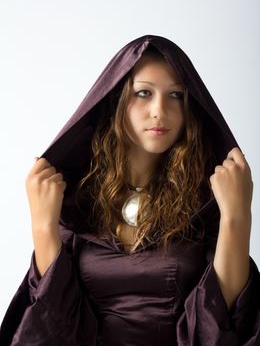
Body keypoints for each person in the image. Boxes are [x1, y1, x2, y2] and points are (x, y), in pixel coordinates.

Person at [0, 34, 259, 345]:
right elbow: (50, 322)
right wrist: (43, 226)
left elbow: (223, 321)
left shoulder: (204, 207)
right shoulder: (75, 207)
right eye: (144, 93)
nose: (159, 110)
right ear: (117, 100)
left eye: (176, 95)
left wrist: (237, 217)